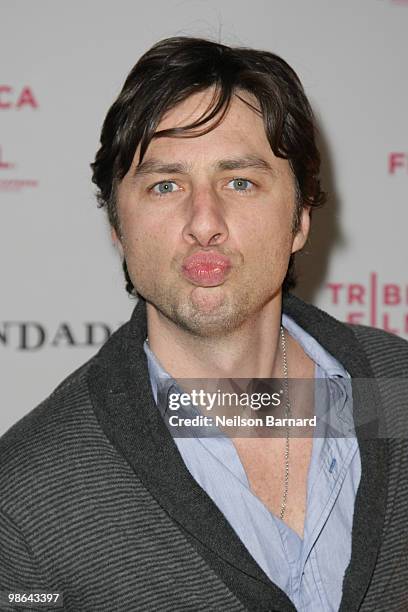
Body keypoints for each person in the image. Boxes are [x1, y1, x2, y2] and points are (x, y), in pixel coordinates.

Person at [1, 36, 407, 612]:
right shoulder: (28, 493)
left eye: (240, 182)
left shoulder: (395, 392)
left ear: (300, 219)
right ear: (119, 226)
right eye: (165, 185)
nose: (204, 222)